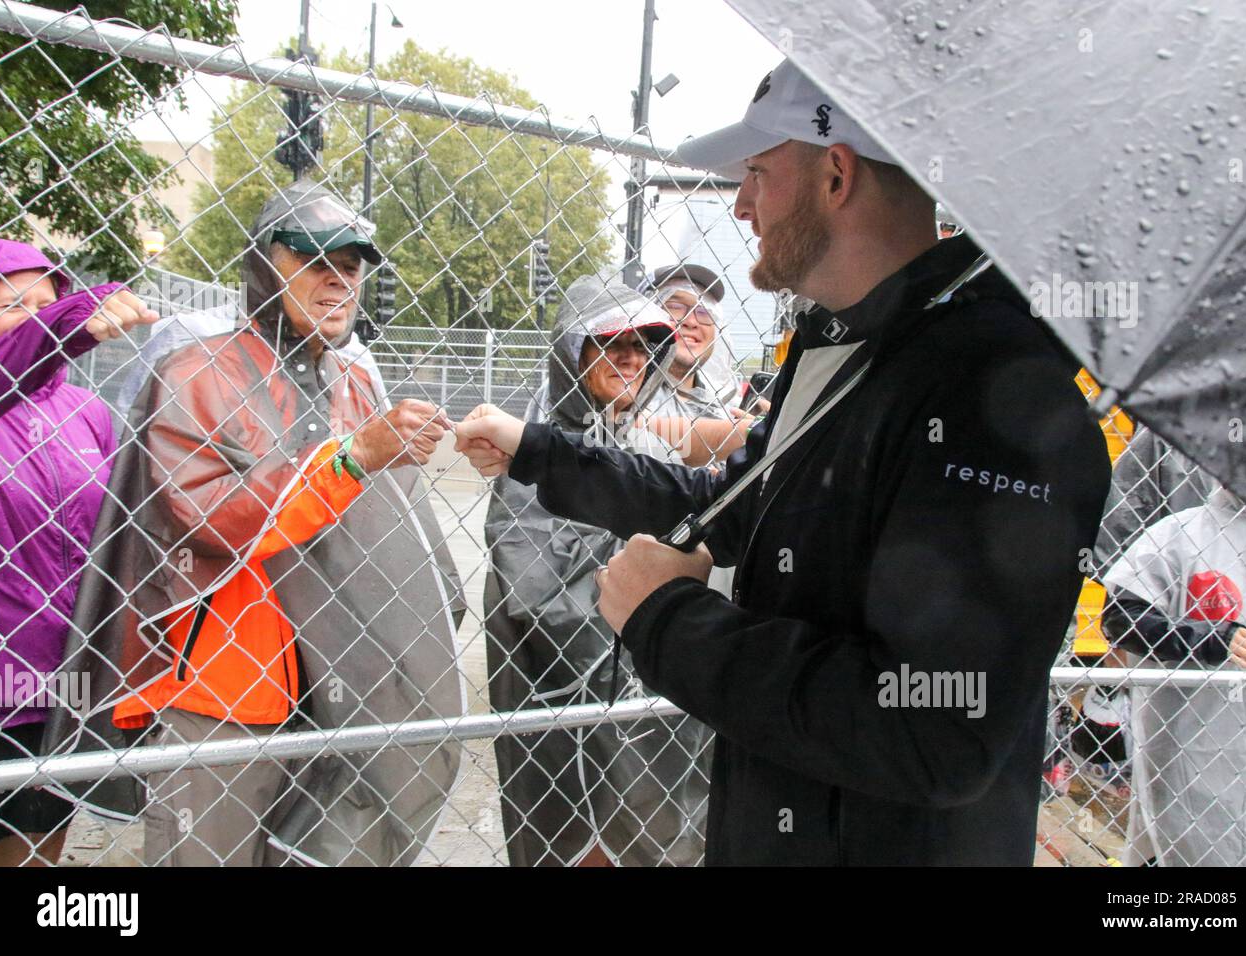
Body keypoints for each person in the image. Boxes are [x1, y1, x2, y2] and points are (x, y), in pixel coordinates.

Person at [456, 59, 1112, 865]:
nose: (739, 204)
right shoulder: (840, 348)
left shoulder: (993, 399)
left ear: (835, 174)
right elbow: (728, 506)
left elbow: (936, 733)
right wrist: (541, 452)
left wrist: (668, 622)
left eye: (759, 174)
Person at [44, 181, 465, 866]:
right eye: (312, 259)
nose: (337, 280)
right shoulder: (196, 370)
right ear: (263, 267)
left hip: (343, 684)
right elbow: (207, 517)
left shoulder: (354, 383)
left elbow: (397, 529)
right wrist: (353, 458)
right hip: (225, 691)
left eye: (352, 265)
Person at [481, 275, 713, 866]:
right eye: (611, 345)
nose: (631, 359)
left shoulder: (657, 444)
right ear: (572, 355)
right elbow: (534, 589)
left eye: (644, 344)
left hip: (654, 692)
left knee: (661, 827)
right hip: (568, 696)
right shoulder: (537, 447)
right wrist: (651, 597)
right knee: (577, 836)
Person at [0, 238, 158, 866]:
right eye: (10, 306)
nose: (34, 318)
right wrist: (67, 321)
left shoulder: (87, 411)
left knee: (40, 851)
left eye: (46, 302)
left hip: (66, 682)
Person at [1102, 484, 1246, 866]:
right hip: (1196, 737)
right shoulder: (1180, 537)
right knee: (1192, 841)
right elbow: (1121, 618)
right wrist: (1207, 638)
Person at [637, 264, 754, 466]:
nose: (691, 321)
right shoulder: (622, 388)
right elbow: (635, 433)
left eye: (704, 311)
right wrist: (758, 432)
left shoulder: (724, 404)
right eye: (674, 306)